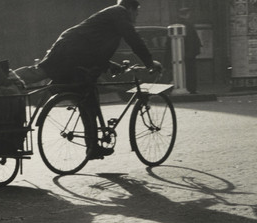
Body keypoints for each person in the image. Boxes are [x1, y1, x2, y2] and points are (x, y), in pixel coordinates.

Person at [17, 0, 162, 159]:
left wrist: (110, 65)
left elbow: (92, 47)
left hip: (73, 50)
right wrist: (149, 62)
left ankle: (92, 147)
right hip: (71, 51)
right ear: (131, 8)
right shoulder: (119, 13)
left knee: (79, 92)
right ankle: (8, 78)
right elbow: (133, 39)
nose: (136, 17)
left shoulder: (112, 16)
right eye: (137, 13)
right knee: (49, 75)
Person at [177, 7, 201, 93]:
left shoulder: (177, 24)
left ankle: (182, 87)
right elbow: (192, 39)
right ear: (187, 14)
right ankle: (191, 89)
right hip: (189, 54)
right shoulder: (189, 25)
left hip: (179, 53)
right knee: (190, 72)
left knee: (180, 71)